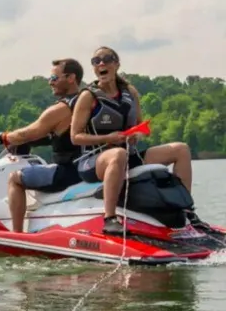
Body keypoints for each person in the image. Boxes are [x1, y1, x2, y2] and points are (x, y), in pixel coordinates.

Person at [70, 46, 201, 235]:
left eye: (106, 59)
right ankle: (110, 218)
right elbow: (75, 137)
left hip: (127, 155)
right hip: (93, 162)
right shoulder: (87, 97)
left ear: (116, 64)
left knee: (181, 149)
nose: (101, 64)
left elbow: (141, 127)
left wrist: (136, 135)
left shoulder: (130, 92)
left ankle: (186, 210)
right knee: (118, 154)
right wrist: (108, 138)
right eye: (96, 61)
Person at [0, 58, 85, 233]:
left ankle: (16, 235)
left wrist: (4, 136)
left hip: (67, 172)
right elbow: (62, 136)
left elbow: (29, 133)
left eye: (54, 78)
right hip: (87, 167)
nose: (50, 82)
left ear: (71, 78)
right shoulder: (88, 102)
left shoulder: (62, 109)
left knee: (15, 179)